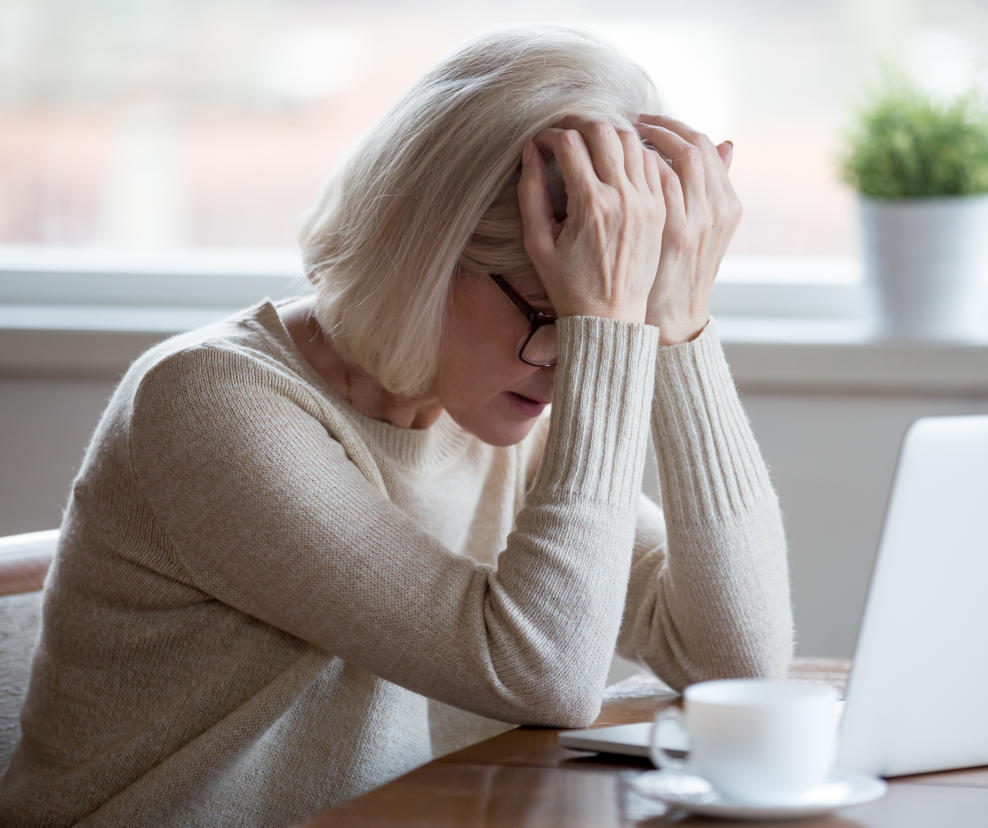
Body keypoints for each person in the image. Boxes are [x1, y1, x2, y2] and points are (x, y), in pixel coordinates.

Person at [0, 25, 793, 827]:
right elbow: (543, 675)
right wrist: (608, 340)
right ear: (427, 255)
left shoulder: (488, 411)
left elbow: (736, 662)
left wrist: (681, 324)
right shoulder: (209, 403)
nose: (571, 367)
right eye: (557, 315)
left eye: (600, 324)